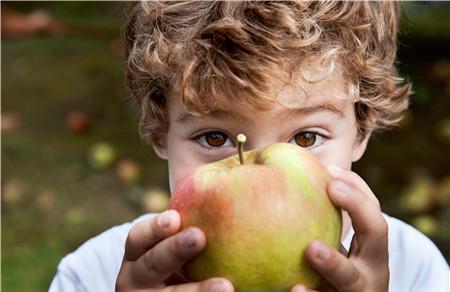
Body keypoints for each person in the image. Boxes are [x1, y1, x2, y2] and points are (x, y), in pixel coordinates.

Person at [49, 1, 449, 291]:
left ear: (361, 130)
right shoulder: (93, 275)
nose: (261, 177)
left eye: (306, 137)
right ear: (160, 131)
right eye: (214, 138)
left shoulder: (412, 270)